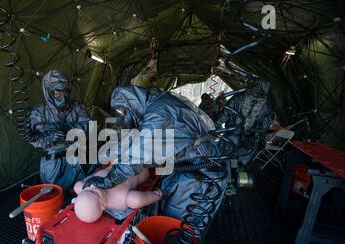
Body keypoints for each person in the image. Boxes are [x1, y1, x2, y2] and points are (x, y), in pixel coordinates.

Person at [83, 84, 228, 226]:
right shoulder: (155, 105)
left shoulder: (160, 114)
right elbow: (134, 138)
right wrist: (111, 152)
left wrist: (108, 180)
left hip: (200, 172)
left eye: (123, 112)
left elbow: (139, 152)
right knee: (169, 205)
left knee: (179, 223)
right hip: (187, 163)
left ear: (131, 103)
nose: (123, 118)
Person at [28, 70, 90, 193]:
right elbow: (32, 138)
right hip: (53, 164)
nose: (63, 97)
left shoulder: (76, 107)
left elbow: (88, 126)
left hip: (76, 160)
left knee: (80, 194)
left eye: (66, 93)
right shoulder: (39, 112)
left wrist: (67, 128)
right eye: (58, 94)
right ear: (49, 93)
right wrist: (49, 138)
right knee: (56, 196)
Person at [215, 78, 275, 166]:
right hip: (249, 141)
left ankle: (224, 172)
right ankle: (235, 173)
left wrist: (212, 128)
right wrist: (262, 141)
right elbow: (264, 126)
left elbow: (225, 114)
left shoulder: (239, 97)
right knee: (240, 165)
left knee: (222, 160)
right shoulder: (267, 105)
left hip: (232, 136)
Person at [73, 167, 162, 223]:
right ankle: (158, 194)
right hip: (139, 168)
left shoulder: (88, 188)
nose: (92, 186)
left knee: (77, 186)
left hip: (116, 160)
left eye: (86, 189)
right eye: (95, 192)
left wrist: (85, 186)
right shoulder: (119, 200)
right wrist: (157, 195)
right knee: (135, 200)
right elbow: (137, 199)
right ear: (103, 207)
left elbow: (78, 186)